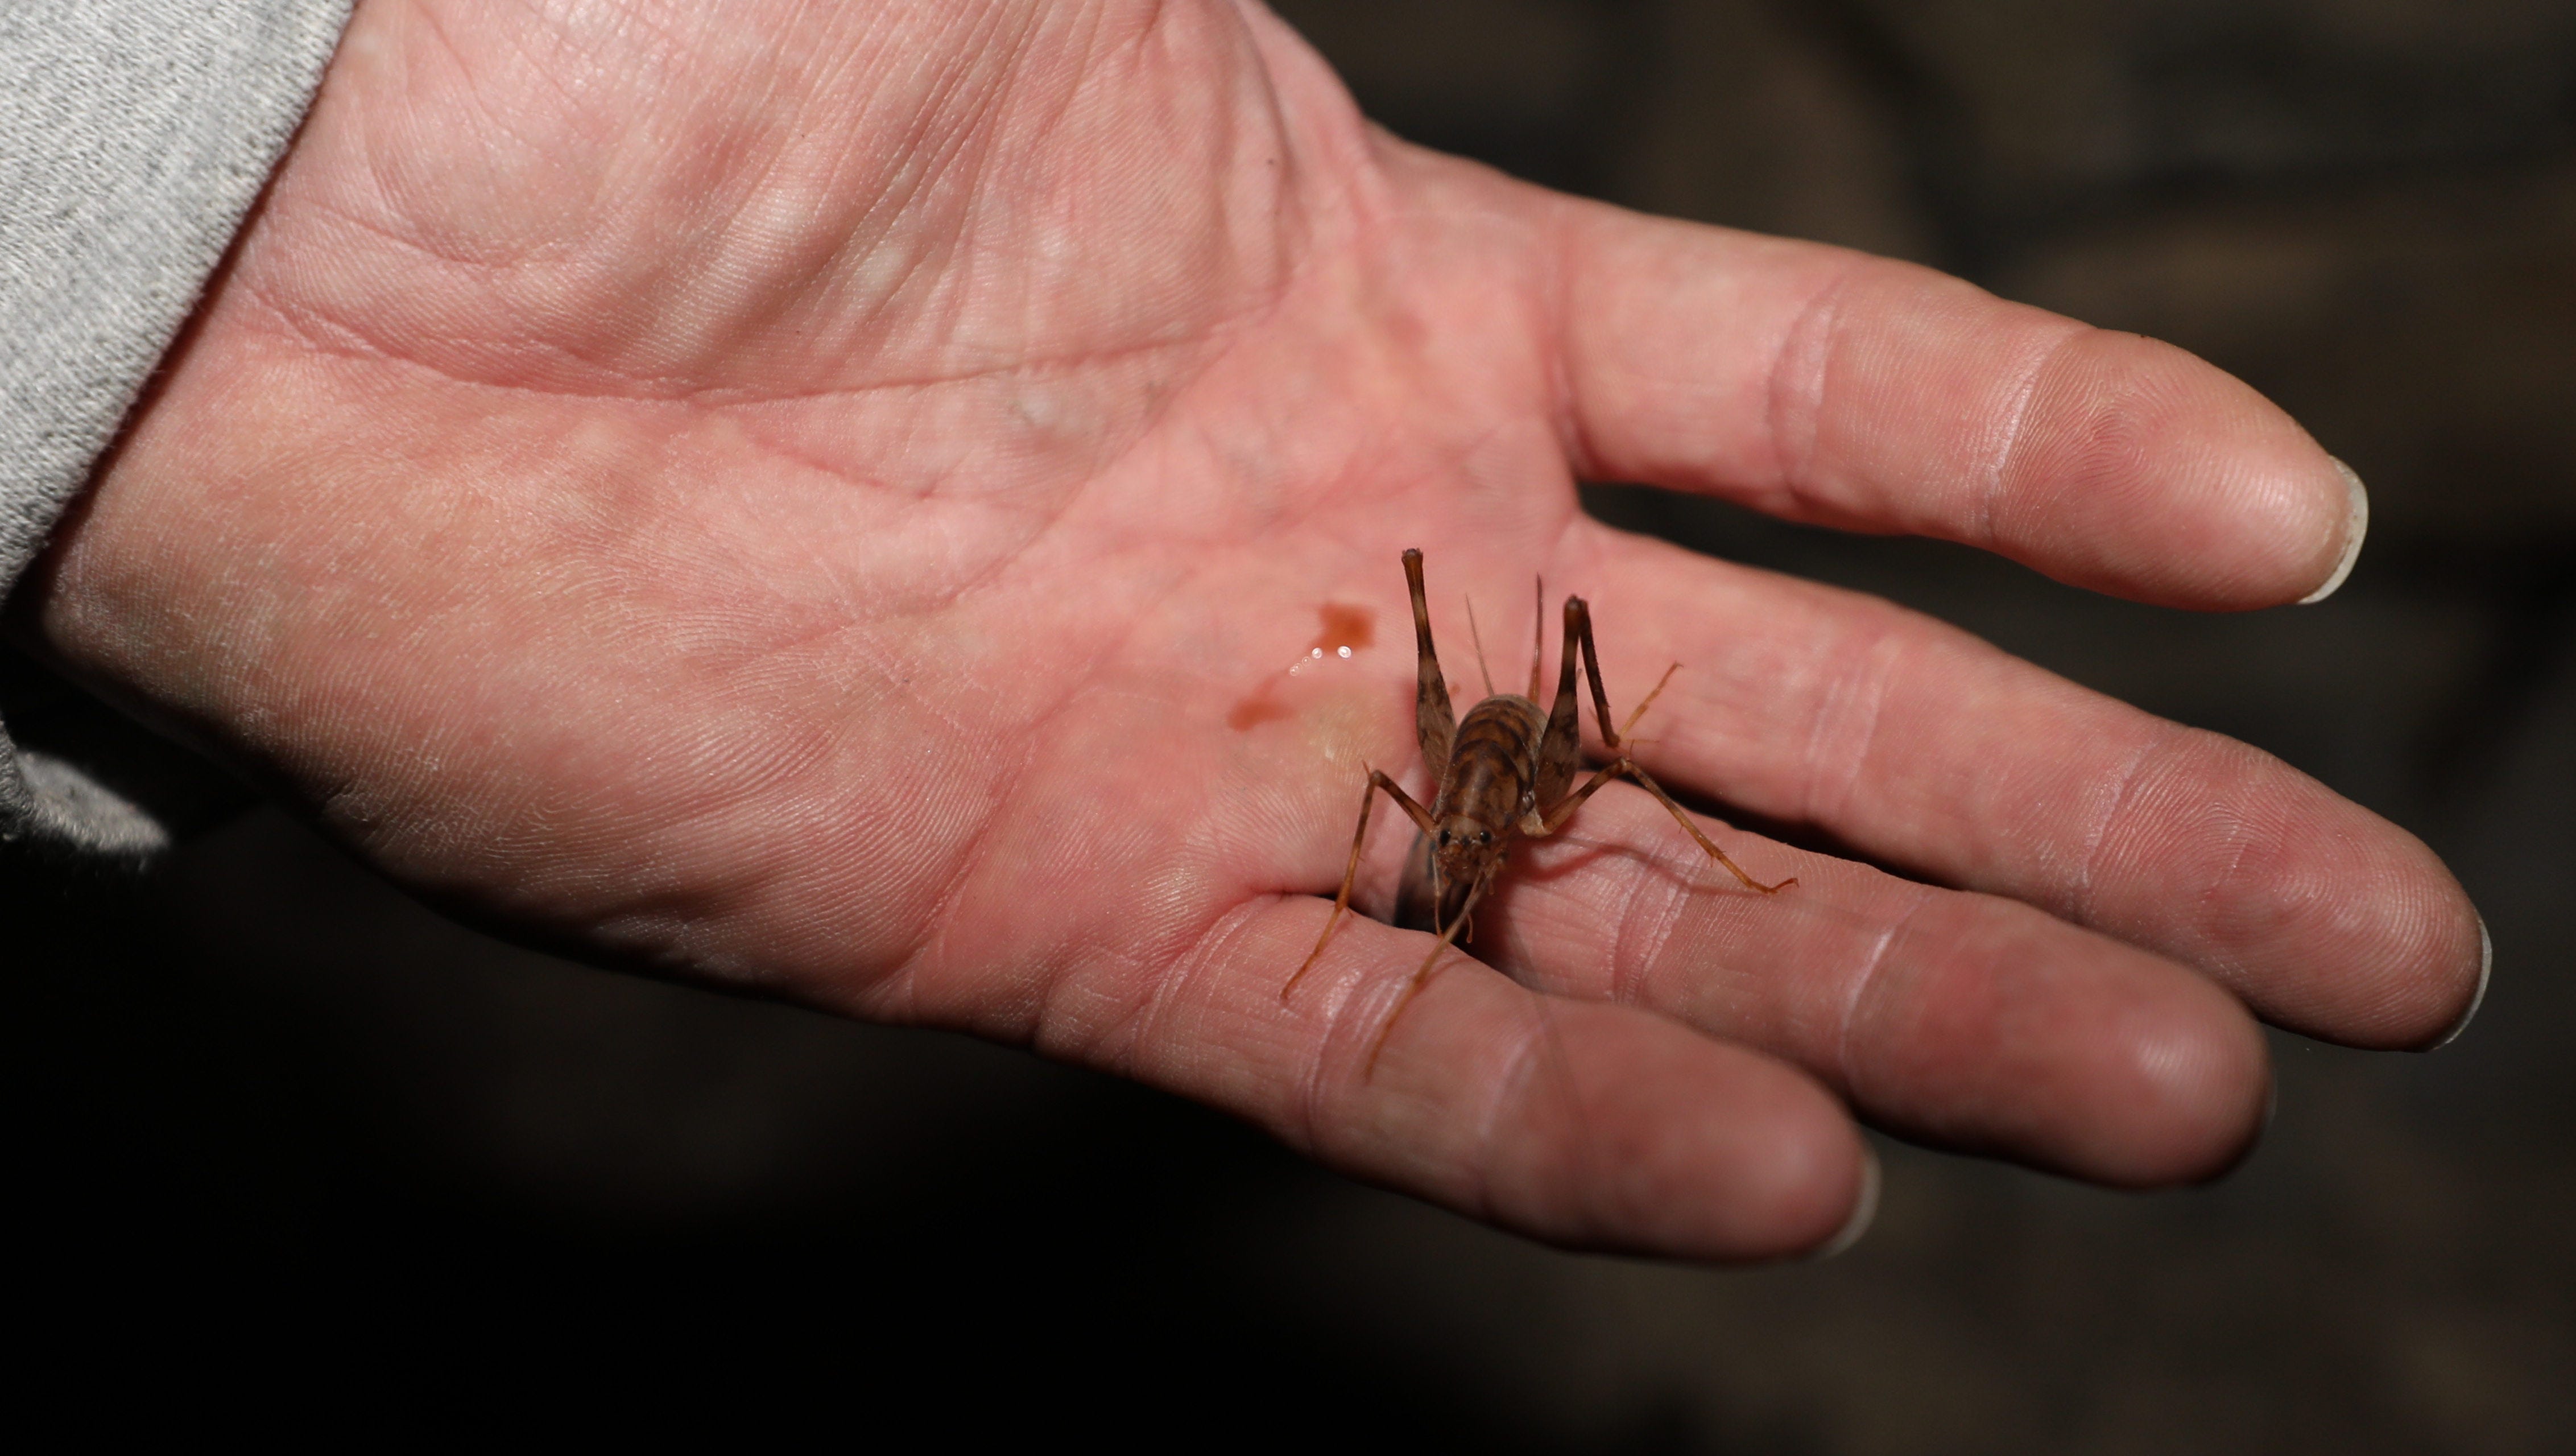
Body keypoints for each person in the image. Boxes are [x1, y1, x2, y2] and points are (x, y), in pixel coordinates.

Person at [0, 1, 2486, 1261]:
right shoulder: (1452, 767)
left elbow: (1539, 773)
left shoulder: (1536, 776)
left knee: (1593, 797)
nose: (1489, 822)